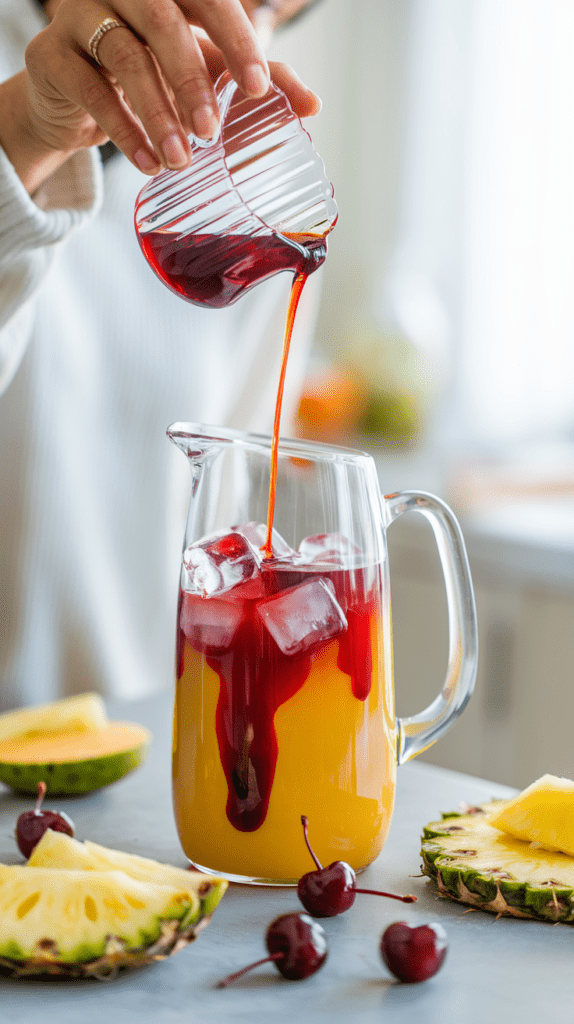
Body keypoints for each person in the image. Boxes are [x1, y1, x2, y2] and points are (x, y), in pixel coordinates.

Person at [0, 0, 324, 710]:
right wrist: (22, 132)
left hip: (126, 763)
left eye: (269, 10)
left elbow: (222, 505)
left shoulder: (265, 211)